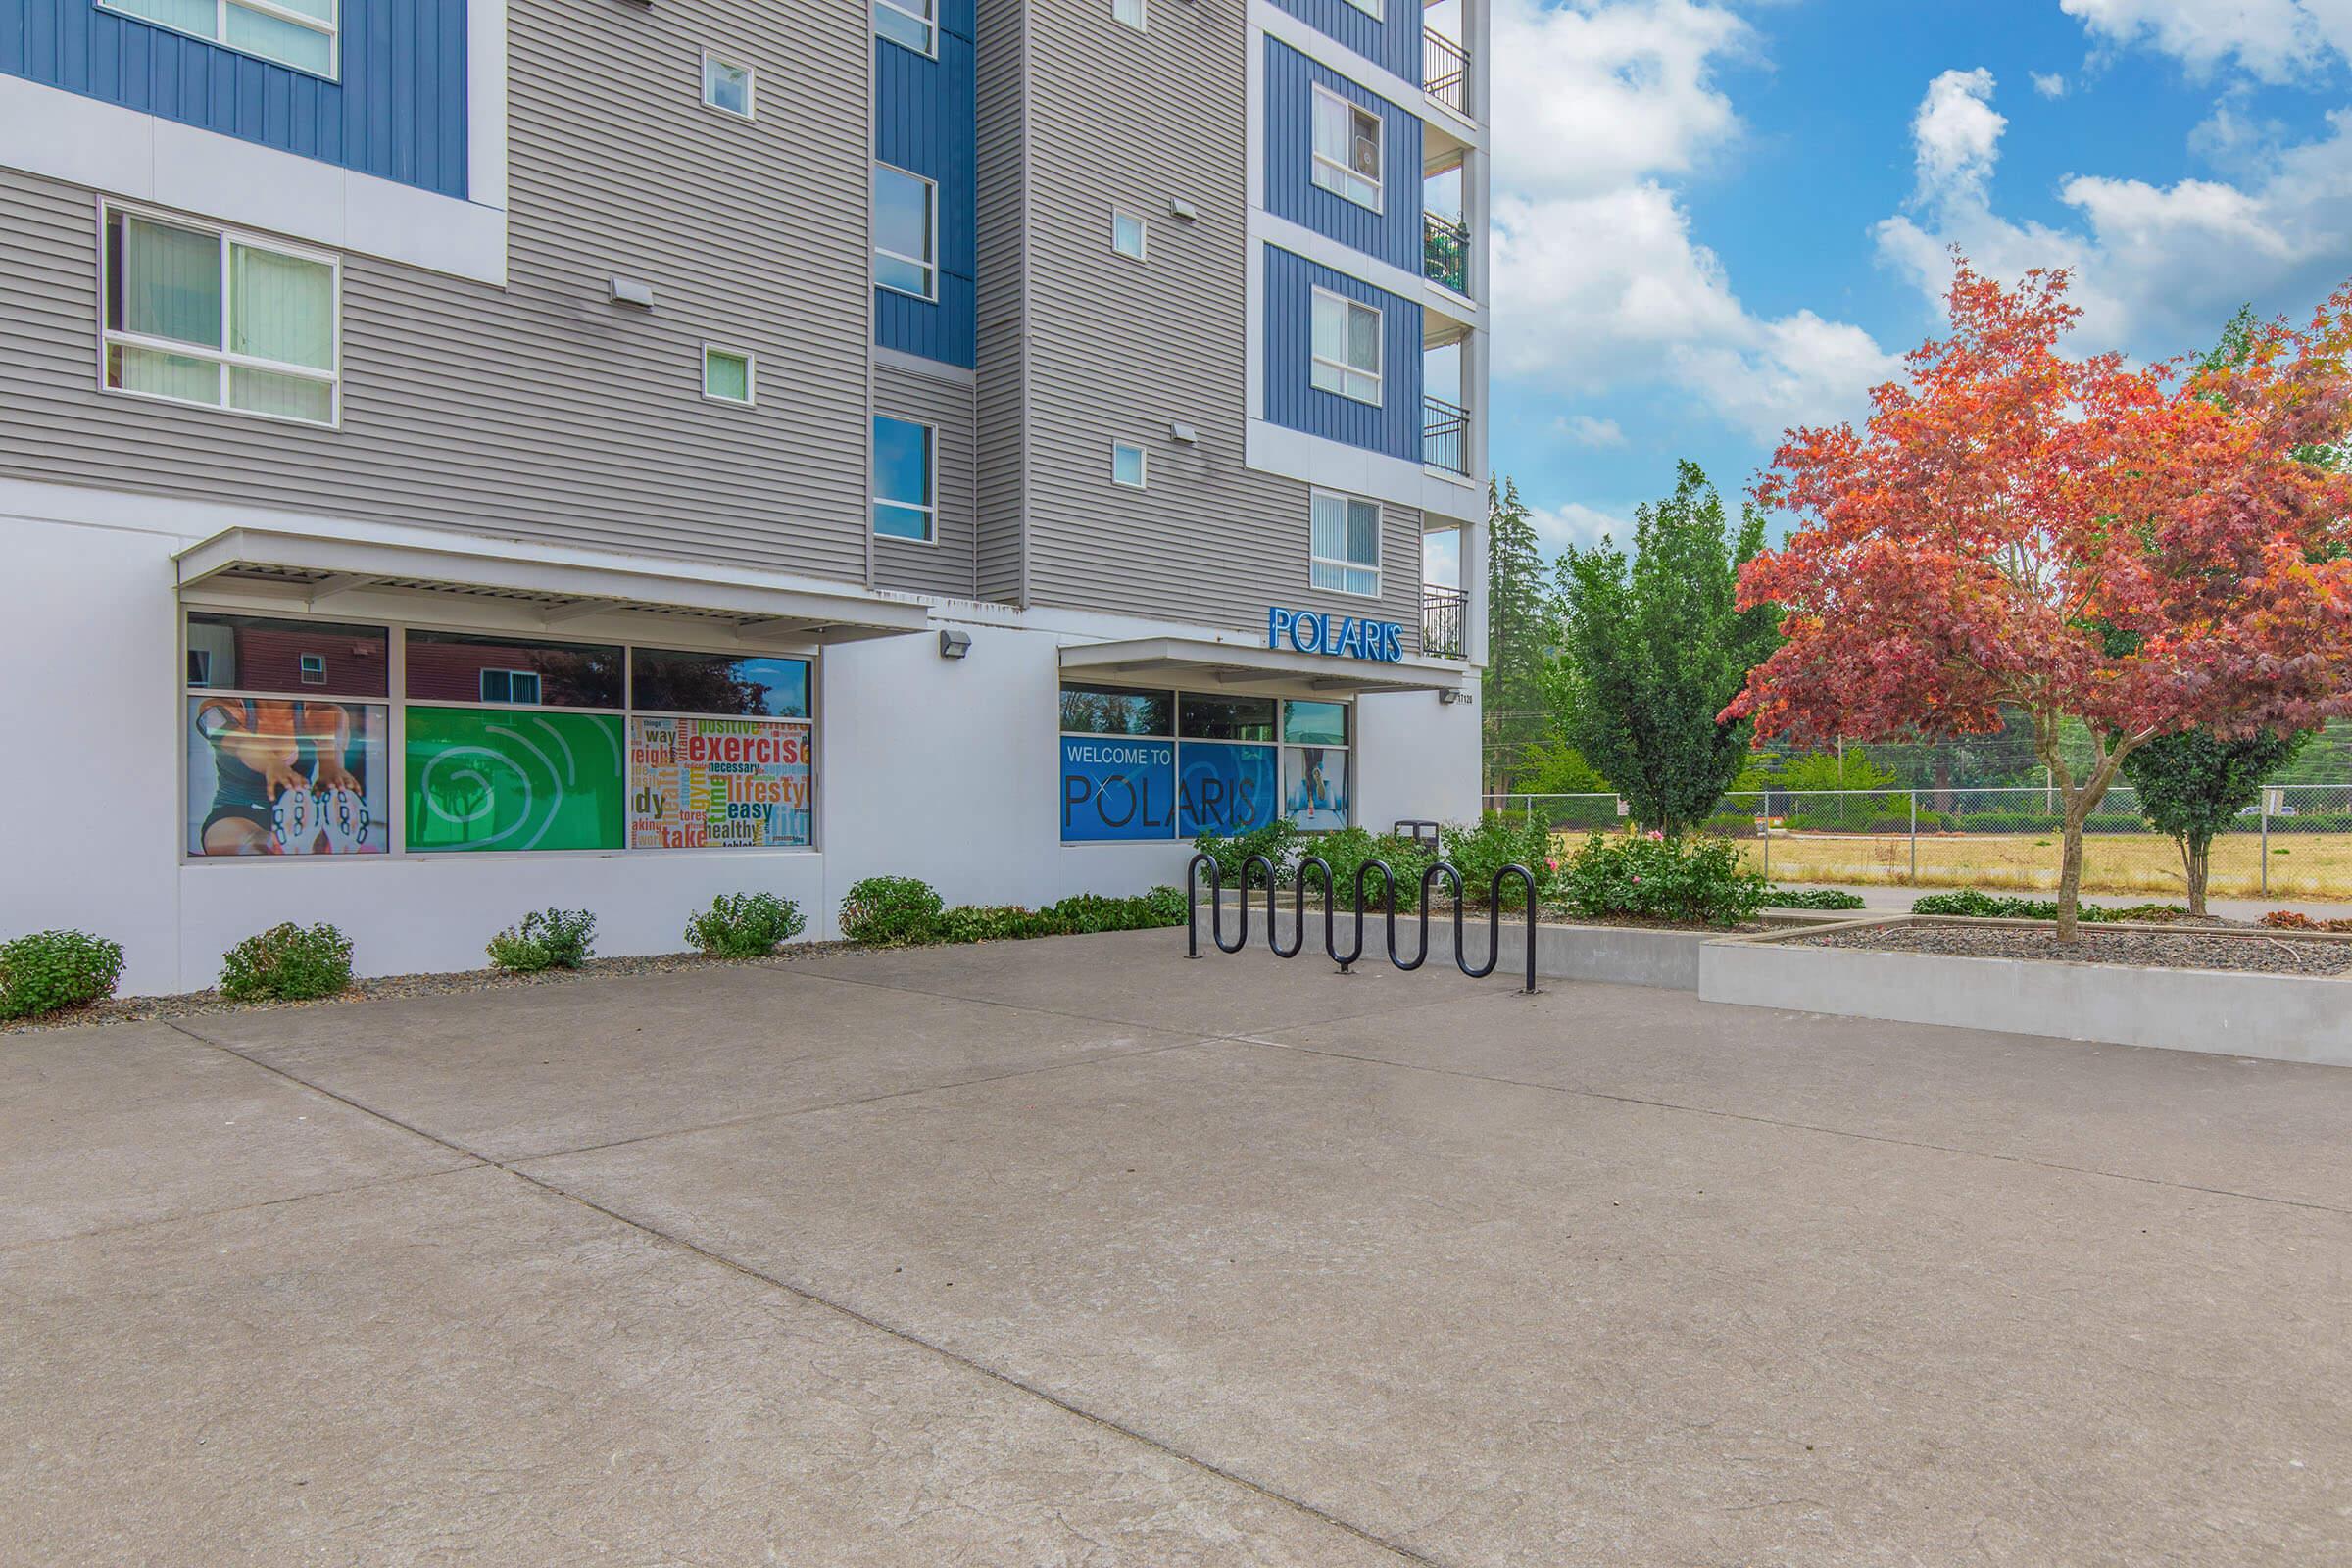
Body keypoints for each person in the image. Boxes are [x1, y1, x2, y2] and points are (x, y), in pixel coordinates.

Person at [192, 698, 366, 855]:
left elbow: (331, 752)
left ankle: (309, 843)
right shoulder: (217, 708)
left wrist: (333, 774)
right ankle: (276, 845)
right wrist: (272, 764)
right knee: (250, 843)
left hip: (298, 817)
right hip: (235, 811)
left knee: (286, 841)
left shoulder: (325, 711)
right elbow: (241, 743)